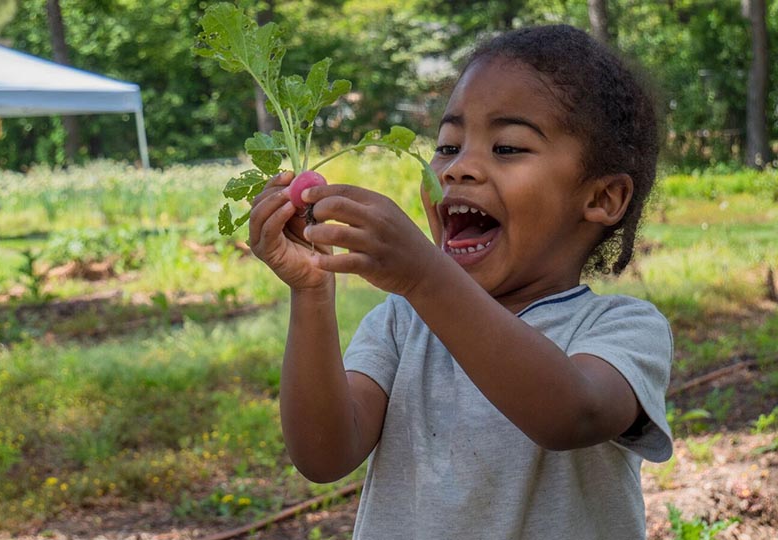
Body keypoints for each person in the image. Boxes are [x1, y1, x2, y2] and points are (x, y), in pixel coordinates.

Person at [248, 24, 672, 539]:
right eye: (447, 147)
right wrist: (312, 292)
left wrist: (427, 277)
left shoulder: (621, 329)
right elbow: (323, 453)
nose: (458, 169)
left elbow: (571, 414)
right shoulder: (403, 325)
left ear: (603, 198)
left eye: (508, 148)